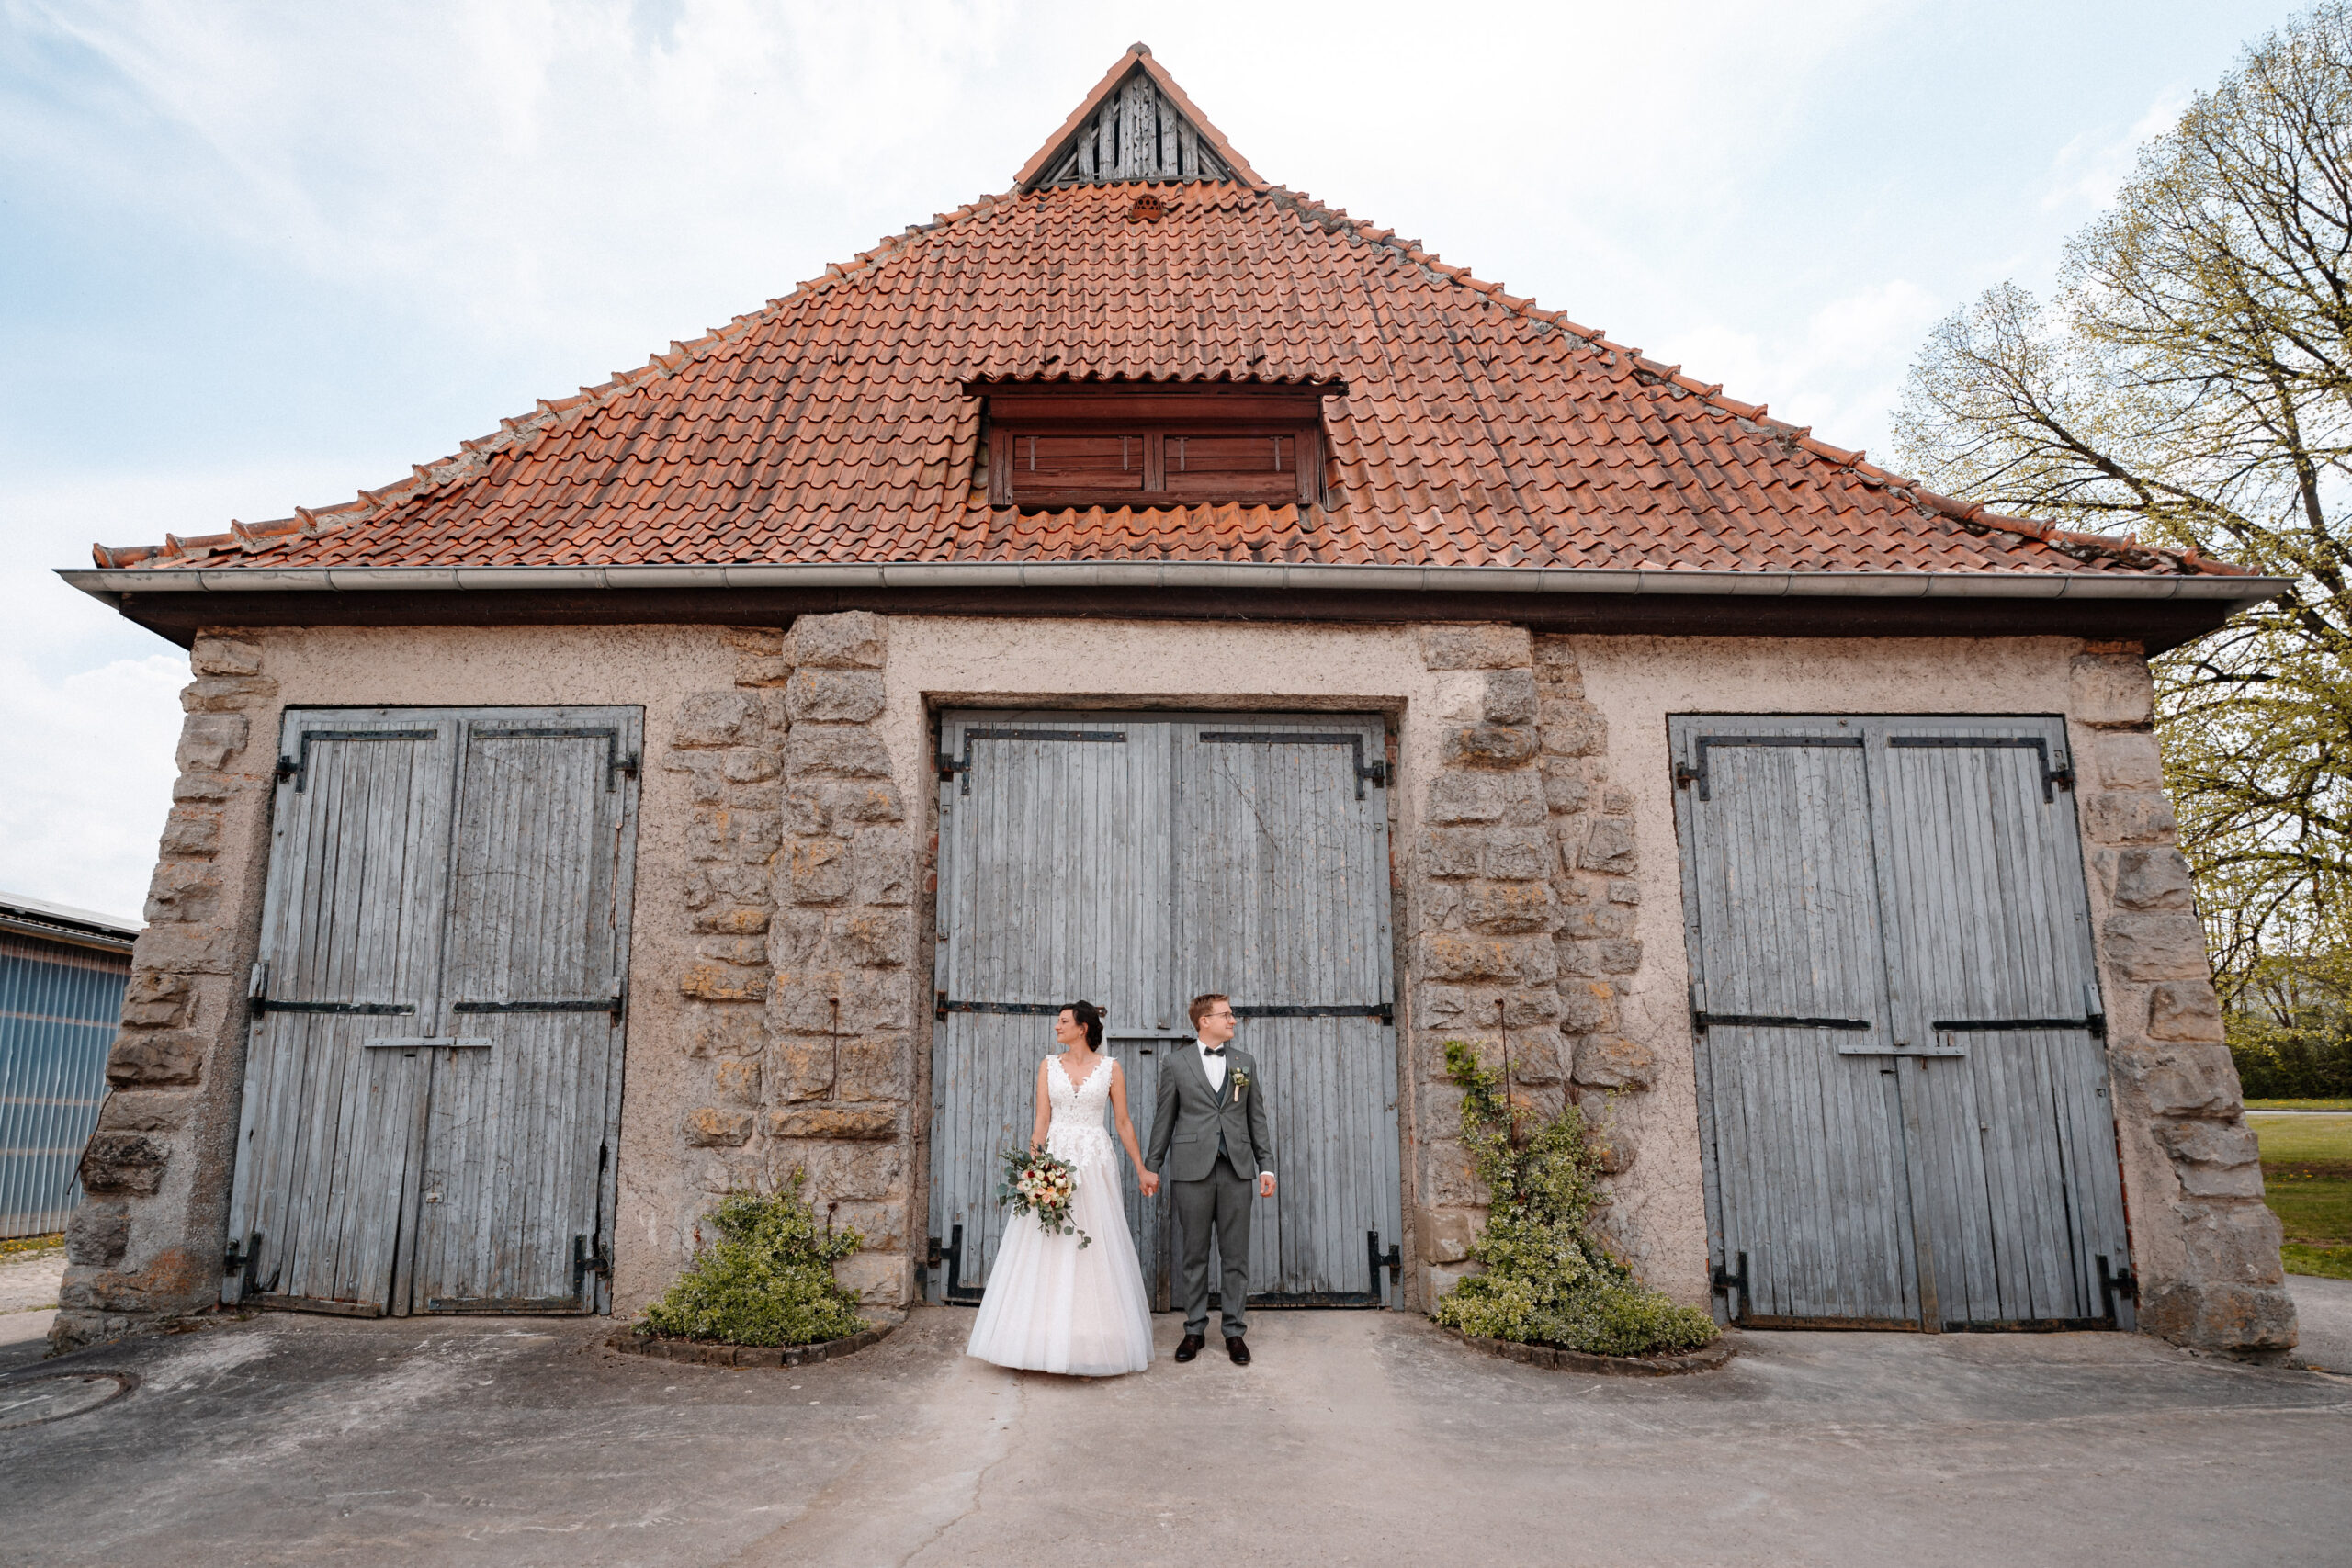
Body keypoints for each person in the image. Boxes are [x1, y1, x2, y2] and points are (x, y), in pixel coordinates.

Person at [963, 1000, 1158, 1375]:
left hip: (1095, 1161)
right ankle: (1039, 1337)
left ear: (1083, 1027)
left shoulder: (1111, 1069)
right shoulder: (1048, 1066)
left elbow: (1123, 1122)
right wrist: (1033, 1170)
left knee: (1095, 1243)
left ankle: (1094, 1335)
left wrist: (1141, 1168)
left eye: (1063, 1022)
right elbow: (1041, 1120)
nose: (1056, 1027)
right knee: (1049, 1242)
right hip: (1055, 1159)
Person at [1146, 992, 1274, 1366]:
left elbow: (1257, 1119)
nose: (1233, 1020)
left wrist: (1265, 1165)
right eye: (1227, 1015)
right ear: (1205, 1021)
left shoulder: (1244, 1062)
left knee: (1236, 1256)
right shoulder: (1176, 1063)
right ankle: (1195, 1330)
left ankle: (1234, 1332)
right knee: (1194, 1254)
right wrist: (1152, 1166)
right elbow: (1164, 1119)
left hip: (1237, 1169)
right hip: (1191, 1169)